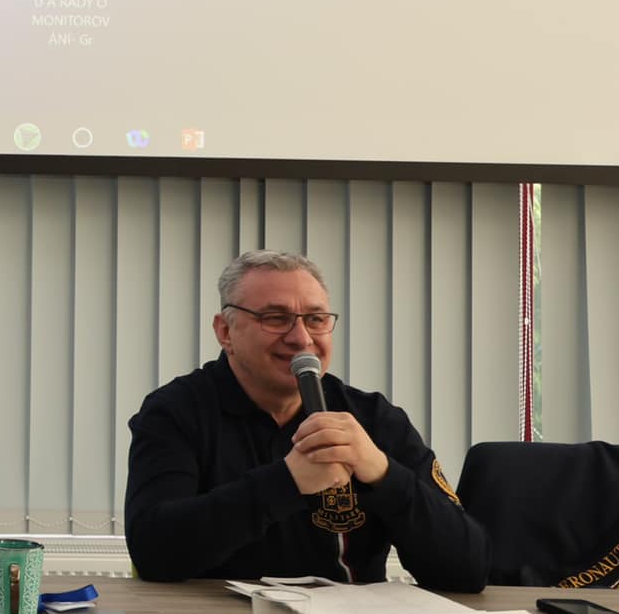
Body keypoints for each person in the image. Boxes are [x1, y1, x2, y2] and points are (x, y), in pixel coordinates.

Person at [124, 248, 488, 590]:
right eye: (275, 318)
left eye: (315, 320)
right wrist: (286, 482)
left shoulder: (374, 418)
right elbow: (154, 553)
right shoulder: (174, 412)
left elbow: (468, 569)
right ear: (225, 332)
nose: (301, 338)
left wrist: (383, 473)